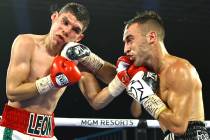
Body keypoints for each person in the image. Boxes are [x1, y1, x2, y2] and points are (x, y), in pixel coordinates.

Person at [0, 2, 117, 140]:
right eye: (65, 22)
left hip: (45, 133)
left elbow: (113, 78)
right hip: (13, 129)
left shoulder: (74, 58)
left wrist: (90, 58)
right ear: (54, 17)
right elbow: (12, 92)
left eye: (76, 30)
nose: (67, 31)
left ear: (79, 38)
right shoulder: (26, 43)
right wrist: (51, 81)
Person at [123, 10, 210, 139]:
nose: (126, 49)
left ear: (151, 37)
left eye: (130, 40)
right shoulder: (148, 73)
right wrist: (90, 59)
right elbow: (135, 112)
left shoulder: (180, 70)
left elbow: (179, 127)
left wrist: (146, 96)